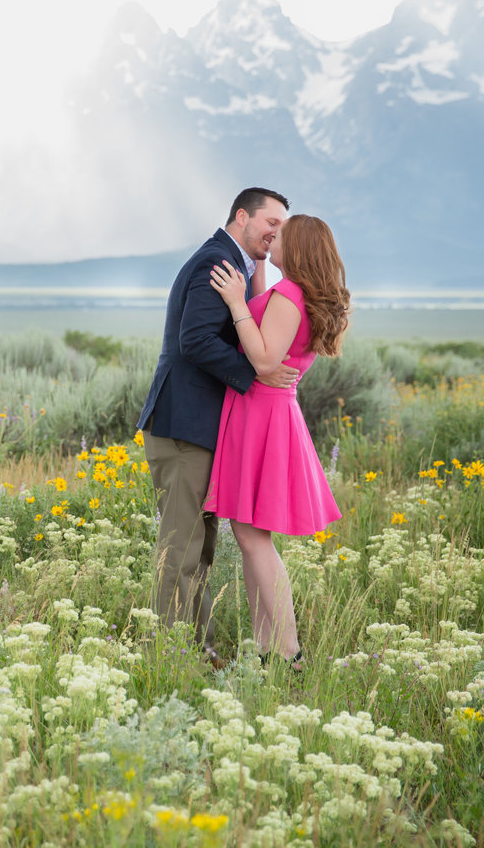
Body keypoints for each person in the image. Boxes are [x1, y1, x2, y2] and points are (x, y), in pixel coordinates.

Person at [137, 188, 301, 663]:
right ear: (241, 216)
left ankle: (197, 649)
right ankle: (167, 658)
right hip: (184, 427)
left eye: (282, 226)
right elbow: (195, 339)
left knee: (198, 549)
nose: (276, 232)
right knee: (182, 549)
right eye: (270, 221)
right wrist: (257, 371)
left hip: (200, 429)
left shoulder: (240, 265)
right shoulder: (219, 261)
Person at [203, 213, 350, 671]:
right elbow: (269, 310)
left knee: (252, 536)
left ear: (299, 248)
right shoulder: (294, 293)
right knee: (251, 534)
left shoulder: (290, 296)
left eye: (281, 236)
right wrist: (255, 276)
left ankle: (288, 652)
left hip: (262, 413)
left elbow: (265, 357)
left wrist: (234, 301)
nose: (273, 238)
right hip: (268, 412)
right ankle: (265, 648)